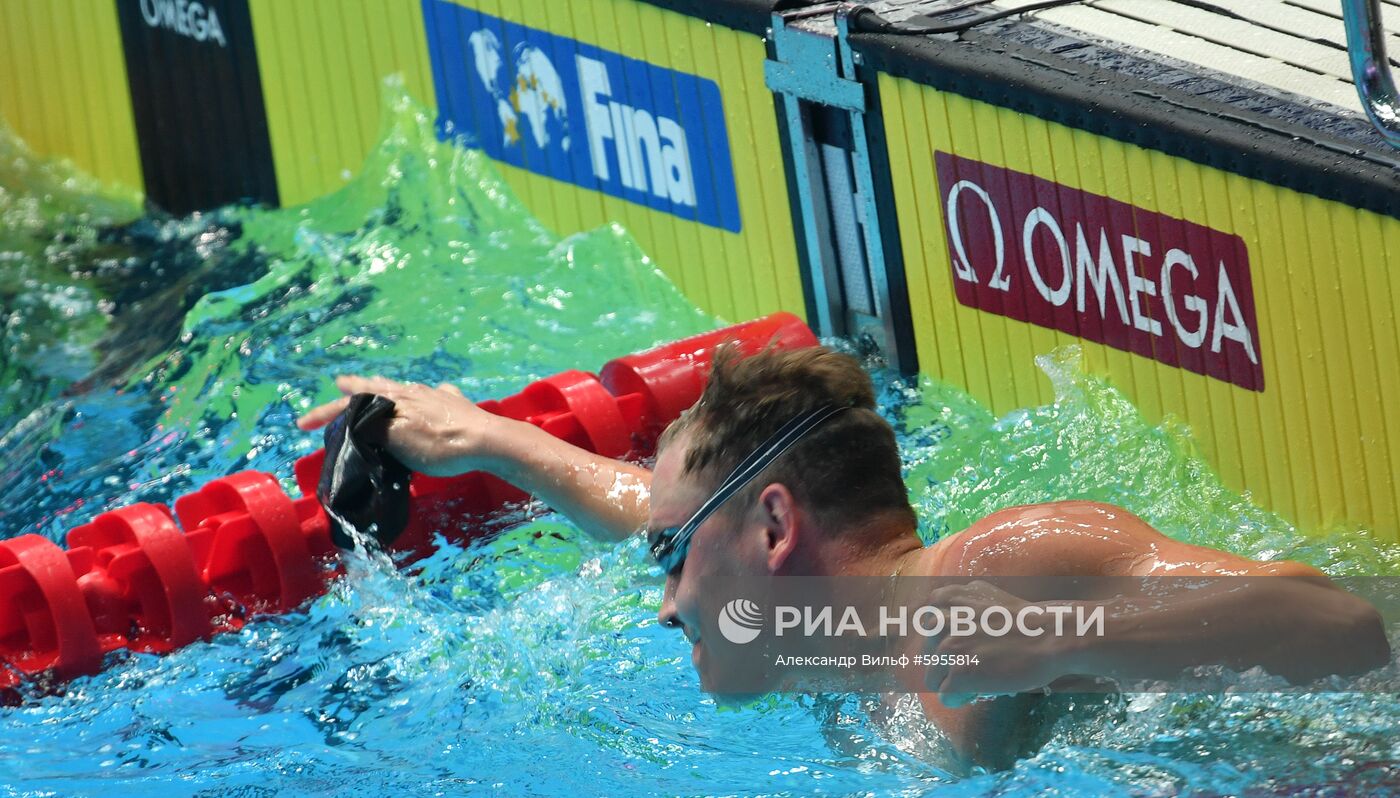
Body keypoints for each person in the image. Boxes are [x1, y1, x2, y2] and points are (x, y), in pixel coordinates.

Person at [296, 345, 1389, 769]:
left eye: (671, 558)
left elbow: (1341, 626)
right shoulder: (829, 645)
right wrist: (493, 440)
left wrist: (1059, 637)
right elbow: (647, 505)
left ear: (775, 531)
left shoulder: (999, 572)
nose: (665, 603)